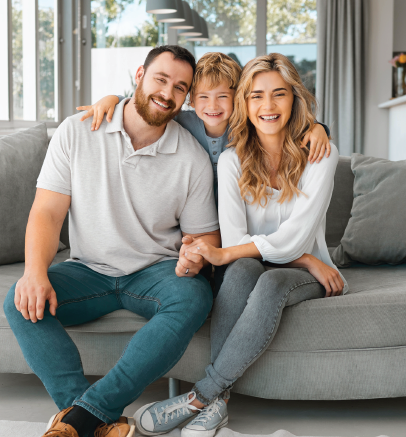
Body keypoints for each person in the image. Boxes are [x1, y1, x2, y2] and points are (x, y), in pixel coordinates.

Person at [3, 45, 220, 437]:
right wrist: (35, 273)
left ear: (185, 98)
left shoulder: (191, 157)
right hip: (88, 269)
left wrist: (195, 254)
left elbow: (204, 236)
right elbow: (47, 213)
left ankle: (79, 420)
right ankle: (91, 417)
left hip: (155, 272)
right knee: (20, 300)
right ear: (139, 75)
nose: (167, 93)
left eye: (179, 87)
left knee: (195, 296)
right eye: (160, 79)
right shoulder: (77, 130)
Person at [128, 53, 349, 437]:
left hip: (302, 274)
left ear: (294, 100)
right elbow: (233, 239)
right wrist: (305, 258)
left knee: (271, 280)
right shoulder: (232, 160)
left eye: (279, 94)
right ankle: (218, 407)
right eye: (257, 96)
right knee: (245, 268)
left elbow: (287, 238)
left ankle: (202, 397)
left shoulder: (320, 155)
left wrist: (285, 256)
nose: (268, 106)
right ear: (245, 104)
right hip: (296, 262)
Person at [78, 52, 332, 296]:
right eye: (203, 97)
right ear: (190, 100)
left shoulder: (245, 127)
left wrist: (318, 127)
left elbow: (279, 120)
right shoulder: (182, 122)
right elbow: (147, 108)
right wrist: (112, 99)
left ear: (237, 99)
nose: (212, 106)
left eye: (223, 96)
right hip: (196, 224)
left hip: (235, 231)